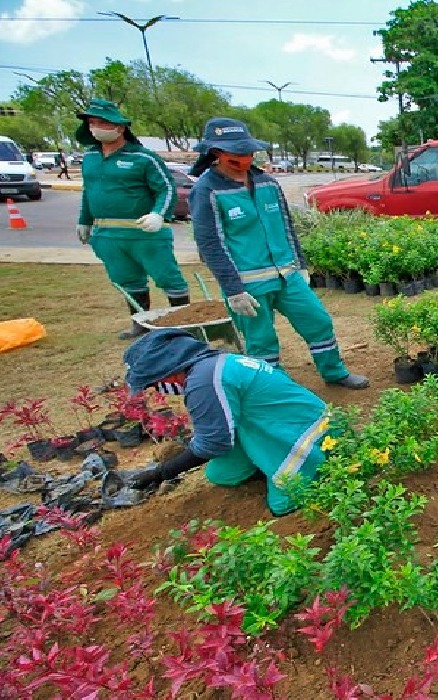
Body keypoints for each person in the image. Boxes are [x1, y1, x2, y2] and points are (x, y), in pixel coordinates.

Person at [188, 117, 368, 390]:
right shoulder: (207, 190)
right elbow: (209, 242)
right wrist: (232, 288)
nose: (245, 158)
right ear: (217, 153)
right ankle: (274, 389)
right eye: (237, 153)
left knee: (318, 321)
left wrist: (301, 264)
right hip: (248, 283)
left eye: (248, 152)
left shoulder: (267, 184)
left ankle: (334, 372)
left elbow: (286, 226)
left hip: (287, 274)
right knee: (261, 341)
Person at [105, 328, 330, 516]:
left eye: (154, 384)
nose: (157, 390)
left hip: (303, 431)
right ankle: (265, 463)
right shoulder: (214, 364)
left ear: (169, 373)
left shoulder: (204, 382)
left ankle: (306, 464)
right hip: (273, 423)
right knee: (221, 474)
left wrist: (162, 472)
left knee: (284, 504)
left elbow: (213, 443)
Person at [74, 99, 189, 339]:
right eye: (93, 122)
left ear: (120, 127)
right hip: (108, 233)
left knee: (168, 277)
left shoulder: (143, 157)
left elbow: (166, 188)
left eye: (103, 122)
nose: (97, 127)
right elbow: (89, 191)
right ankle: (141, 324)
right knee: (127, 279)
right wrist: (84, 220)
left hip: (144, 231)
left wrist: (159, 214)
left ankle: (184, 326)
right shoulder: (90, 158)